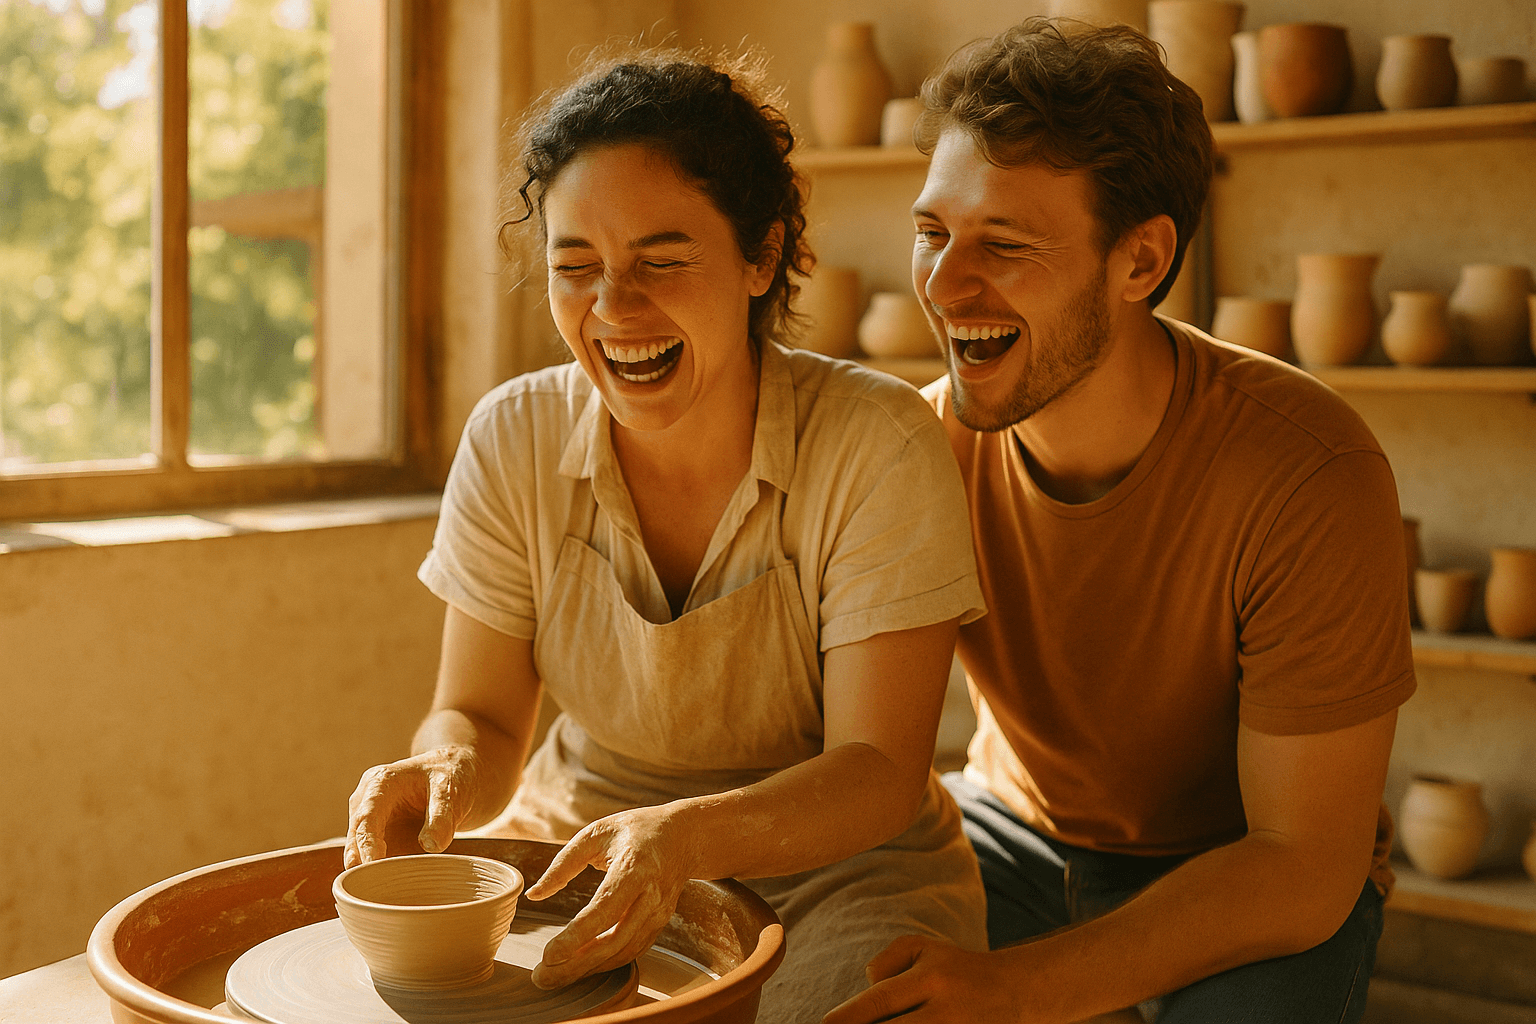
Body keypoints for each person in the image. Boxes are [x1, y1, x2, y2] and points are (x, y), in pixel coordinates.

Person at [344, 52, 989, 1024]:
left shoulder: (876, 439)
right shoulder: (512, 436)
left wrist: (686, 840)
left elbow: (879, 772)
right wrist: (441, 770)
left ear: (761, 256)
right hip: (579, 845)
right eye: (575, 269)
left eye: (661, 260)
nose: (613, 308)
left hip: (843, 872)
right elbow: (477, 715)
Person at [827, 20, 1416, 1024]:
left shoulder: (1309, 469)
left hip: (1243, 868)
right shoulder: (914, 453)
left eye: (1004, 245)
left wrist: (1021, 988)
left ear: (1140, 261)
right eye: (934, 232)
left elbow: (1303, 860)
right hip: (1008, 835)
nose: (946, 284)